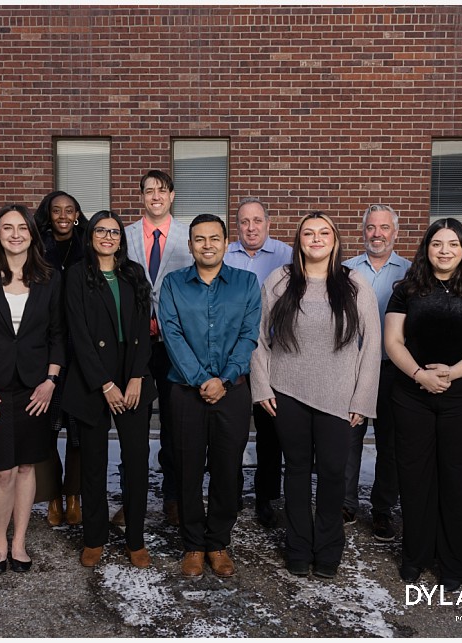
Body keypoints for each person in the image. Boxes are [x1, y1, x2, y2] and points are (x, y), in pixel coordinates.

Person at [250, 212, 381, 579]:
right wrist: (261, 386)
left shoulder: (354, 284)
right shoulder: (280, 280)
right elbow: (257, 336)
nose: (317, 238)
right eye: (309, 233)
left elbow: (371, 345)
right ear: (300, 241)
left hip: (339, 395)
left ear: (335, 240)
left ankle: (327, 548)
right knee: (294, 472)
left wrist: (362, 399)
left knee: (333, 473)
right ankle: (297, 547)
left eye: (324, 232)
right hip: (287, 392)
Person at [385, 218, 462, 592]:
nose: (445, 250)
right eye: (437, 243)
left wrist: (451, 373)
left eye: (453, 244)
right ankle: (416, 556)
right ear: (427, 248)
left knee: (461, 479)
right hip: (412, 395)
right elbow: (393, 341)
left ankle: (458, 563)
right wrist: (419, 374)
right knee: (415, 476)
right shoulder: (406, 290)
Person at [0, 204, 65, 575]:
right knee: (2, 471)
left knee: (26, 466)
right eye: (7, 227)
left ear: (32, 234)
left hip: (36, 388)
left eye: (22, 227)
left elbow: (58, 335)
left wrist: (50, 381)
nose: (15, 234)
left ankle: (19, 542)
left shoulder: (49, 277)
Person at [158, 213, 261, 578]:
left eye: (214, 238)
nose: (207, 245)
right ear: (190, 245)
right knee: (186, 469)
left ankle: (217, 542)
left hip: (232, 392)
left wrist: (225, 379)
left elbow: (249, 335)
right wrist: (203, 379)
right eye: (199, 239)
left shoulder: (247, 283)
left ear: (225, 243)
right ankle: (192, 545)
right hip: (186, 392)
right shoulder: (173, 284)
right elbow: (171, 335)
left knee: (226, 469)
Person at [62, 211, 157, 569]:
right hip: (92, 378)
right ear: (90, 236)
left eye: (114, 232)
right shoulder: (76, 275)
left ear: (121, 239)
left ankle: (135, 539)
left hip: (132, 375)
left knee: (136, 461)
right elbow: (78, 334)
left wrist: (136, 377)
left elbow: (144, 330)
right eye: (100, 231)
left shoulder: (134, 273)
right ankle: (94, 538)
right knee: (93, 463)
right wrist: (104, 383)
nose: (107, 237)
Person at [123, 170, 194, 527]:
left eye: (162, 190)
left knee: (173, 424)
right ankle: (130, 499)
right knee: (131, 426)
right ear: (141, 196)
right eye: (149, 190)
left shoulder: (188, 235)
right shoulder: (123, 235)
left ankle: (173, 498)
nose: (155, 196)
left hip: (172, 345)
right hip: (133, 344)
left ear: (172, 196)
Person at [341, 204, 412, 541]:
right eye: (371, 227)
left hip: (394, 370)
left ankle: (383, 509)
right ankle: (345, 504)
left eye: (384, 228)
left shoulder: (411, 272)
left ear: (395, 232)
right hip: (353, 369)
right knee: (348, 439)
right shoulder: (345, 271)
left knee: (391, 444)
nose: (377, 234)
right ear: (363, 231)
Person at [223, 197, 292, 528]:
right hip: (233, 354)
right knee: (232, 429)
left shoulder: (287, 256)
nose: (251, 228)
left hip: (272, 355)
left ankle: (266, 497)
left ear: (268, 223)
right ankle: (231, 493)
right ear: (237, 226)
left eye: (257, 221)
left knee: (270, 431)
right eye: (244, 222)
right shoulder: (226, 255)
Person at [32, 190, 88, 528]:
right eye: (57, 210)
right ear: (48, 214)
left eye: (70, 210)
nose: (63, 216)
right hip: (47, 346)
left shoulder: (88, 245)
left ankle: (73, 495)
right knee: (48, 428)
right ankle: (52, 495)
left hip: (80, 346)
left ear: (77, 215)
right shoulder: (37, 247)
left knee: (78, 429)